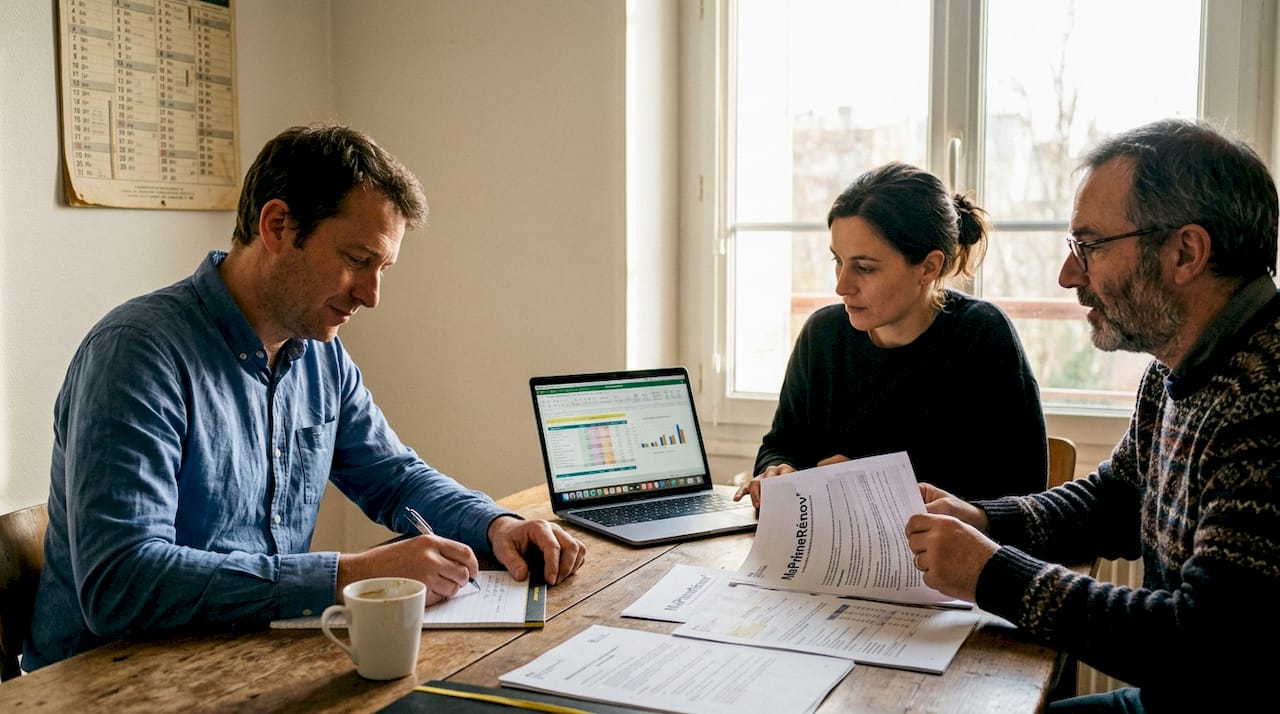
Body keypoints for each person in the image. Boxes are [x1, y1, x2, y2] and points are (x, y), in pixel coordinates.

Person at [24, 124, 587, 671]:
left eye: (383, 269)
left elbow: (394, 477)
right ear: (277, 225)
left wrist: (495, 525)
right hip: (107, 684)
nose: (371, 295)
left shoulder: (319, 354)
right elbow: (122, 585)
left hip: (248, 661)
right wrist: (344, 576)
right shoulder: (137, 353)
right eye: (357, 261)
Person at [905, 118, 1280, 713]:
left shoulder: (1266, 401)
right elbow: (1119, 498)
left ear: (1185, 252)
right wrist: (985, 518)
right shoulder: (1176, 365)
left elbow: (1202, 644)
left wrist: (991, 572)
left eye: (1090, 246)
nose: (1068, 274)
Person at [734, 162, 1048, 509]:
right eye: (837, 261)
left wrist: (869, 486)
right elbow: (781, 444)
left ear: (928, 267)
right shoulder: (822, 336)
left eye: (864, 268)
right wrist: (776, 470)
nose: (841, 285)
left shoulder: (982, 336)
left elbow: (1020, 491)